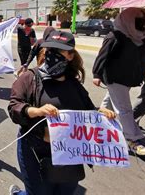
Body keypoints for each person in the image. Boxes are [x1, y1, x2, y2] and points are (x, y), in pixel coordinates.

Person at [8, 31, 116, 195]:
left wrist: (101, 113)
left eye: (59, 52)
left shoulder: (74, 84)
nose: (52, 56)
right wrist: (36, 111)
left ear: (70, 55)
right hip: (35, 150)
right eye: (50, 50)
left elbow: (87, 109)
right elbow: (14, 107)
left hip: (70, 152)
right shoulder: (29, 78)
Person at [93, 7, 145, 156]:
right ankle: (132, 140)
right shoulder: (115, 36)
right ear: (127, 20)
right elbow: (102, 56)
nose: (142, 26)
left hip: (127, 78)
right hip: (114, 77)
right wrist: (97, 74)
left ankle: (96, 126)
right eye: (138, 22)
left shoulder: (137, 38)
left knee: (108, 104)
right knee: (124, 108)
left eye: (143, 22)